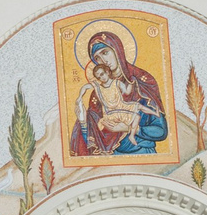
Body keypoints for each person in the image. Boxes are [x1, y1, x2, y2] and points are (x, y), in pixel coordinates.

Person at [70, 30, 169, 159]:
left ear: (117, 50)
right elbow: (93, 142)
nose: (103, 60)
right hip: (110, 158)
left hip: (143, 155)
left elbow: (161, 132)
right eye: (97, 58)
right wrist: (83, 122)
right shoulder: (98, 93)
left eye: (105, 53)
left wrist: (129, 128)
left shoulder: (142, 82)